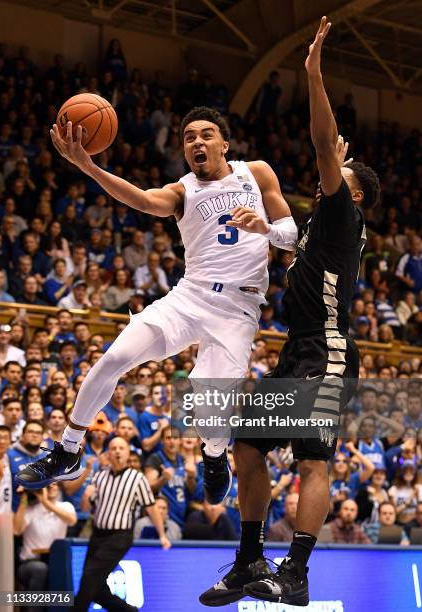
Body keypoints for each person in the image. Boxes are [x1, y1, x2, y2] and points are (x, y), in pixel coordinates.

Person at [16, 104, 297, 513]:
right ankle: (68, 451)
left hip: (238, 307)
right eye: (188, 138)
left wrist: (266, 229)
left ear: (225, 143)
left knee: (210, 412)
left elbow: (291, 235)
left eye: (205, 134)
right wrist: (89, 167)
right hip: (190, 296)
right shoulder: (182, 191)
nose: (196, 142)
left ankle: (215, 455)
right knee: (115, 357)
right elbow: (144, 200)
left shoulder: (257, 172)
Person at [200, 18, 380, 607]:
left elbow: (323, 143)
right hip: (297, 348)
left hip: (327, 350)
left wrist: (313, 74)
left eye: (335, 178)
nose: (325, 177)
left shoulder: (341, 214)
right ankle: (250, 561)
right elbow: (323, 174)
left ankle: (296, 572)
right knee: (248, 446)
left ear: (351, 195)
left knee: (312, 461)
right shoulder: (322, 224)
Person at [74, 437, 170, 611]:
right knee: (96, 587)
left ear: (128, 453)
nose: (117, 451)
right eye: (113, 448)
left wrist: (162, 535)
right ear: (108, 453)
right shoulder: (100, 476)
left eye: (121, 448)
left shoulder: (137, 478)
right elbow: (86, 507)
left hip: (119, 536)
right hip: (97, 535)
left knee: (90, 577)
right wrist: (86, 495)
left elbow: (151, 507)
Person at [14, 483, 77, 601]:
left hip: (56, 562)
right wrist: (23, 500)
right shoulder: (31, 510)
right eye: (48, 485)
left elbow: (72, 520)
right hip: (30, 562)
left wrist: (45, 502)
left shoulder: (65, 506)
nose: (53, 487)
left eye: (55, 485)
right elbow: (17, 530)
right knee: (40, 569)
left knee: (63, 571)